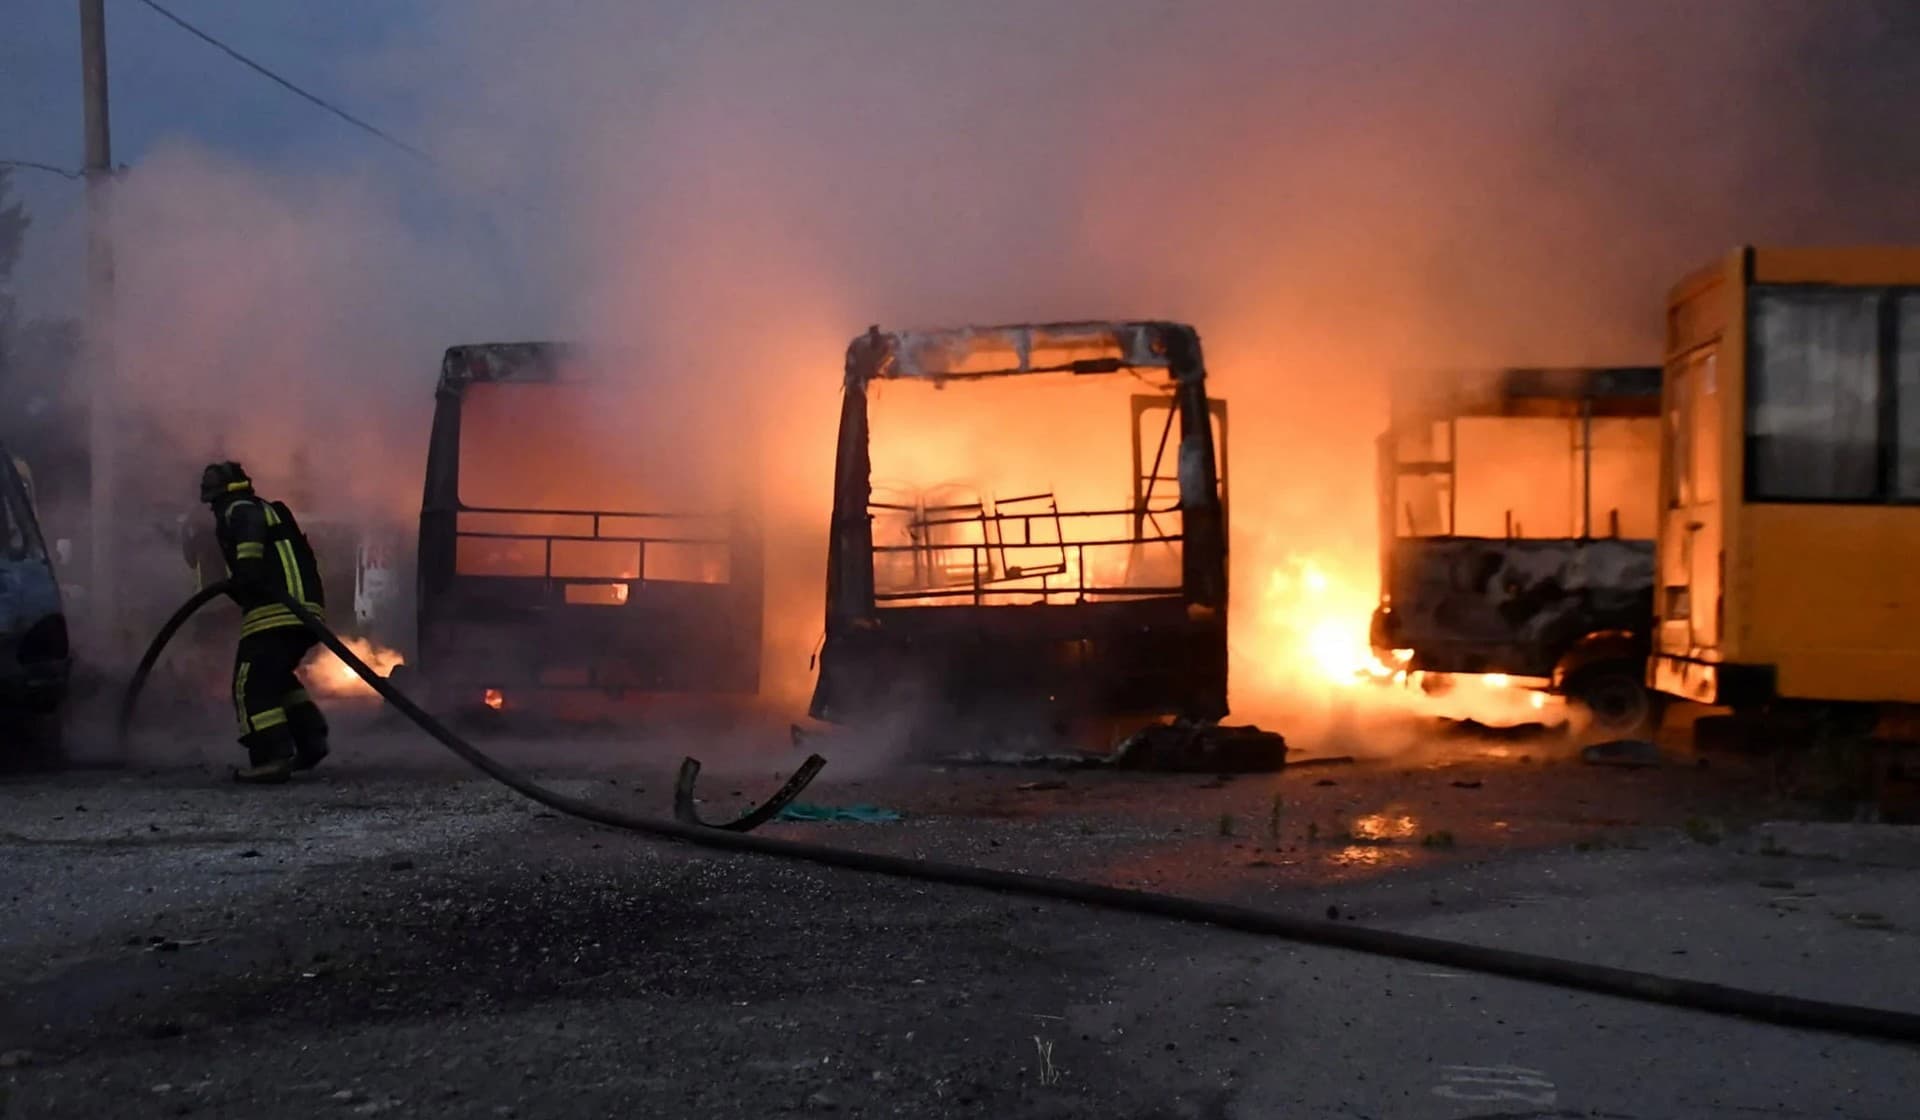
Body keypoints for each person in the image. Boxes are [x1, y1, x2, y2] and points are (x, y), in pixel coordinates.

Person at [200, 461, 331, 783]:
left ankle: (271, 757)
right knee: (276, 679)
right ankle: (310, 740)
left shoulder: (239, 509)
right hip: (303, 611)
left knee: (250, 684)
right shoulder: (265, 508)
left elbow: (249, 535)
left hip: (276, 611)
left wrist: (246, 570)